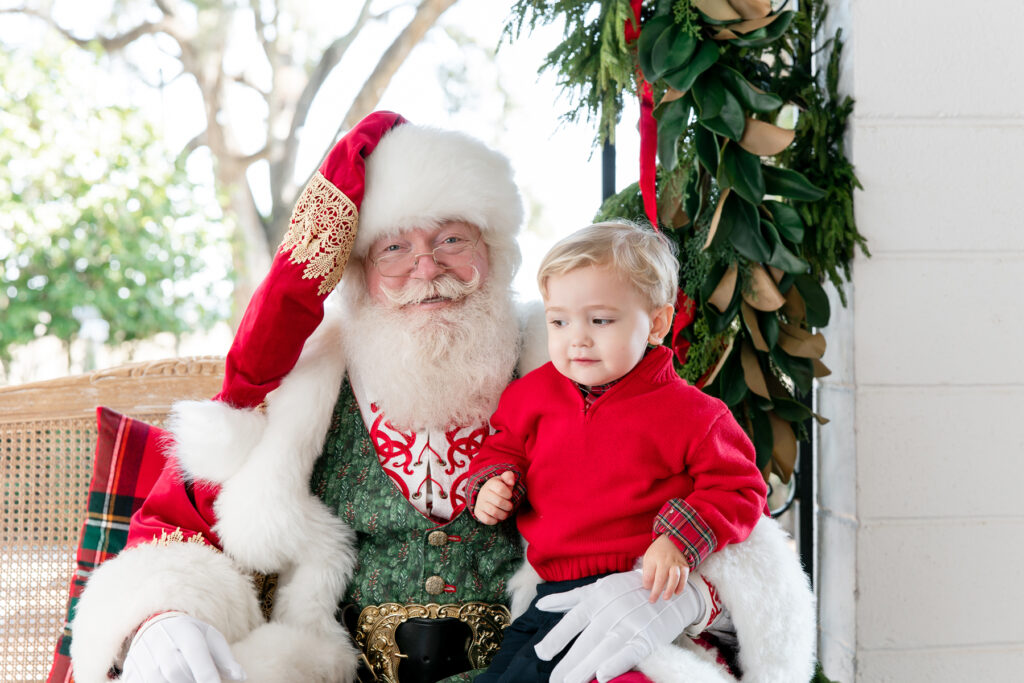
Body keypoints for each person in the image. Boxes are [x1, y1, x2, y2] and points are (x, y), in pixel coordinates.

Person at [69, 112, 818, 683]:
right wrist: (162, 616)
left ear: (496, 256)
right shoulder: (299, 387)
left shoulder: (579, 363)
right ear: (360, 272)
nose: (427, 267)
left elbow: (739, 524)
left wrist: (689, 597)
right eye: (394, 247)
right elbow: (173, 534)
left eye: (454, 239)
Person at [467, 222, 767, 682]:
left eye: (600, 320)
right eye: (559, 320)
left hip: (643, 592)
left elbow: (740, 488)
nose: (577, 338)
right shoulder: (531, 396)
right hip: (553, 594)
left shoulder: (692, 413)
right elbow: (503, 445)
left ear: (658, 324)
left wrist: (678, 540)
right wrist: (494, 482)